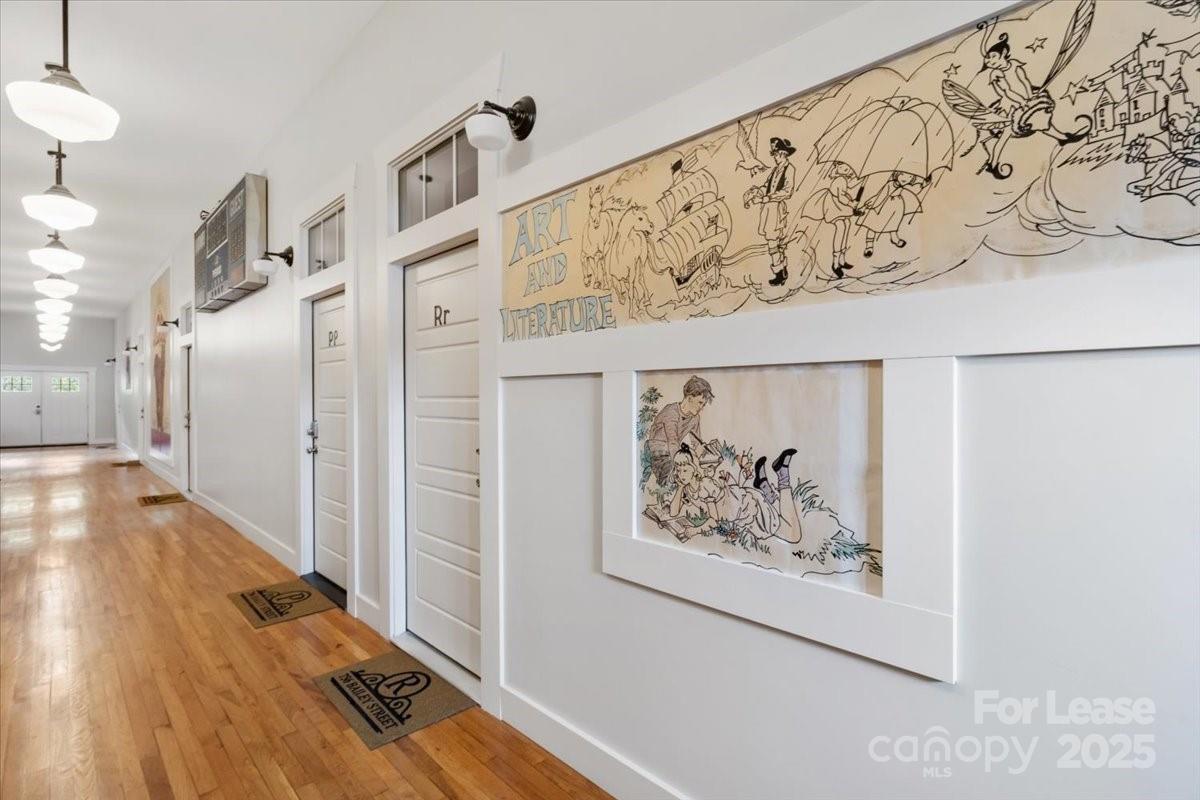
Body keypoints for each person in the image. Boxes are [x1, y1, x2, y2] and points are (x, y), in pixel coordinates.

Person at [743, 137, 798, 286]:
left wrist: (767, 198)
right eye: (773, 154)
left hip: (776, 209)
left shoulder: (789, 169)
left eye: (775, 154)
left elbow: (787, 191)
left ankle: (780, 273)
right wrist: (756, 193)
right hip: (768, 210)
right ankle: (782, 271)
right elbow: (766, 186)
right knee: (774, 242)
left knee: (773, 243)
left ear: (783, 154)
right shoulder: (775, 170)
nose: (774, 157)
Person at [647, 375, 714, 487]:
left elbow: (697, 443)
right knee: (680, 476)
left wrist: (705, 454)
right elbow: (673, 442)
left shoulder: (695, 418)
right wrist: (687, 462)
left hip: (674, 453)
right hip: (658, 454)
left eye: (703, 404)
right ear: (690, 398)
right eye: (700, 402)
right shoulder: (671, 412)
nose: (701, 408)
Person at [801, 162, 864, 279]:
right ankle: (835, 263)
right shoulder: (839, 180)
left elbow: (849, 187)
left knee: (847, 224)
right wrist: (851, 204)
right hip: (834, 207)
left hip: (840, 207)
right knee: (841, 227)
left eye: (848, 166)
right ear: (836, 167)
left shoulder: (843, 179)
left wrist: (862, 182)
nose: (846, 168)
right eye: (842, 166)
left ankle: (842, 260)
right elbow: (841, 197)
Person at [860, 172, 924, 257]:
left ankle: (894, 239)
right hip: (883, 207)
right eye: (902, 174)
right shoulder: (890, 184)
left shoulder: (905, 186)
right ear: (897, 174)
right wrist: (869, 206)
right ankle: (869, 246)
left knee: (893, 224)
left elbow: (915, 190)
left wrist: (923, 183)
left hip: (896, 208)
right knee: (873, 226)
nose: (905, 178)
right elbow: (880, 196)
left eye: (910, 176)